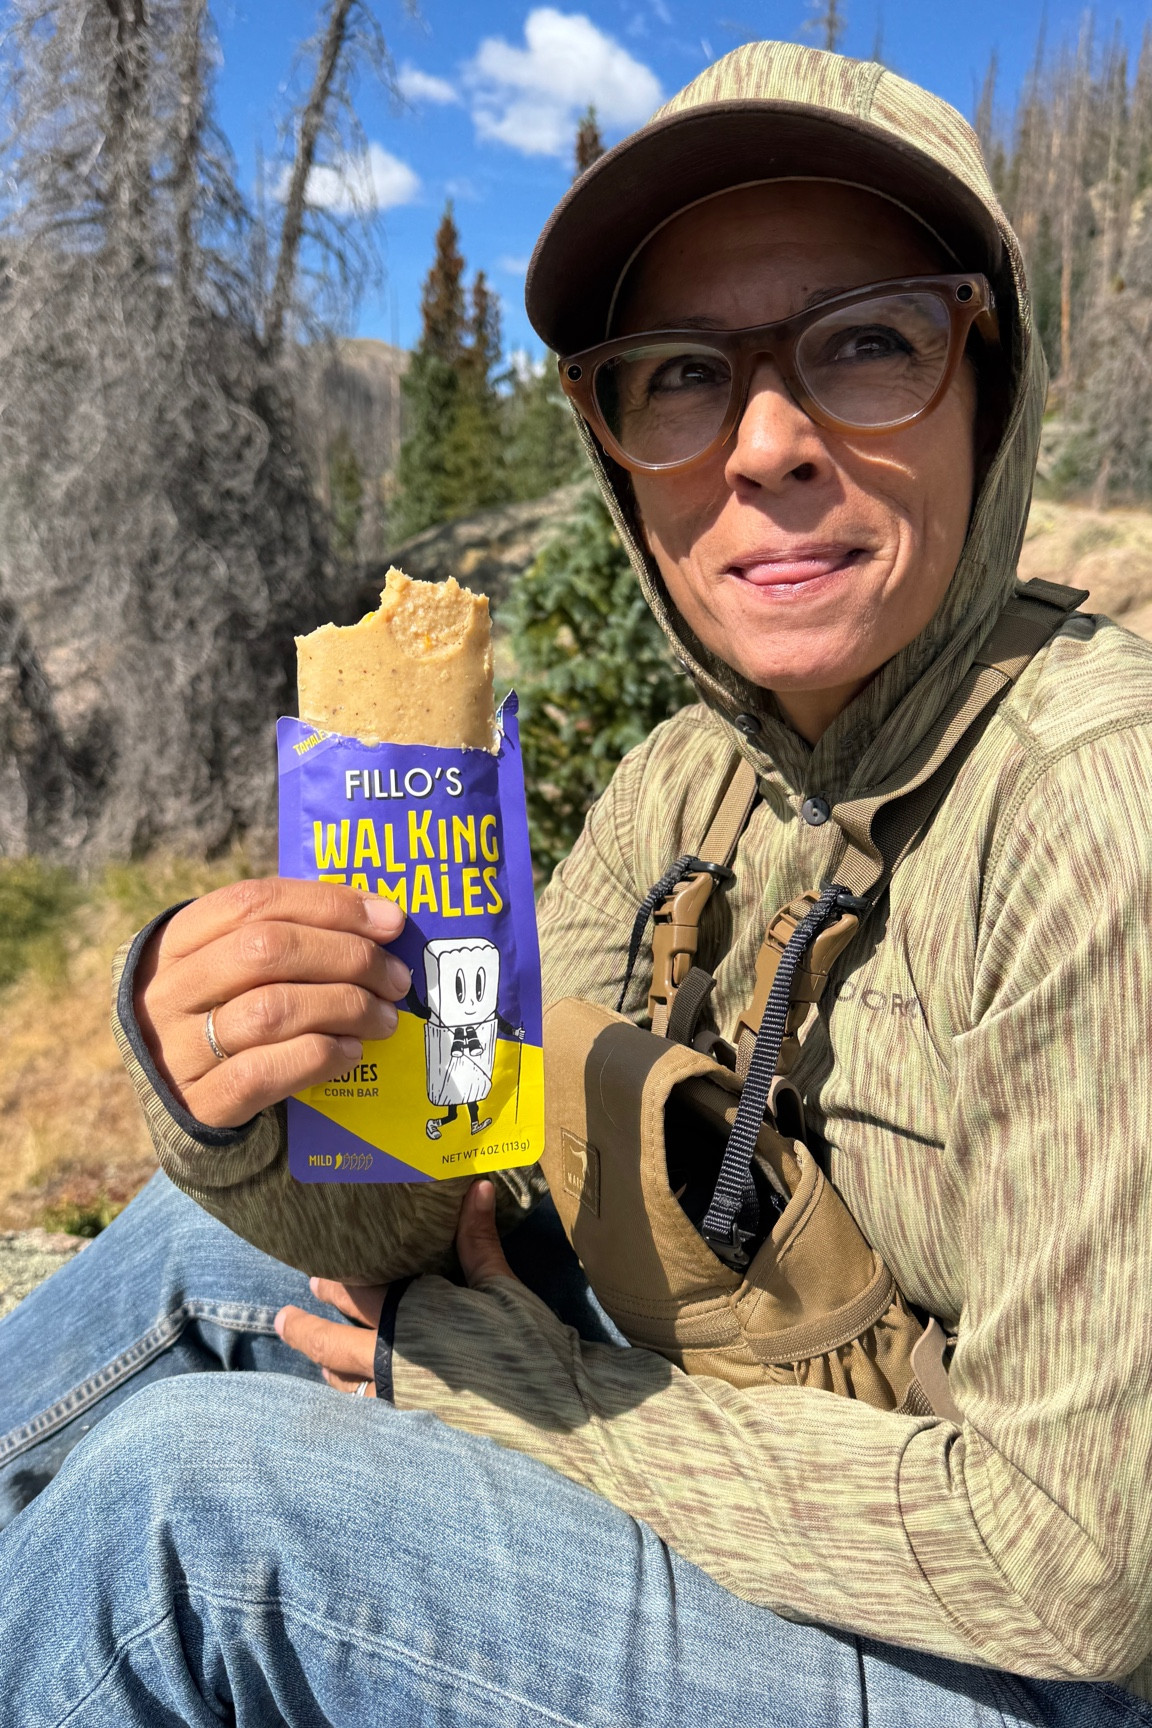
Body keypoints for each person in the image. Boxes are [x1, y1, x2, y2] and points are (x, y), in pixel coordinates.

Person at [2, 39, 1151, 1728]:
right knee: (200, 1238)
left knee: (190, 1517)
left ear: (991, 378)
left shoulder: (1092, 811)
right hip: (755, 1452)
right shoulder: (684, 782)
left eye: (865, 343)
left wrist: (524, 1392)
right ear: (620, 451)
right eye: (679, 373)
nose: (765, 442)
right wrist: (247, 1100)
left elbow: (1078, 1566)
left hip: (1023, 1666)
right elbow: (450, 1192)